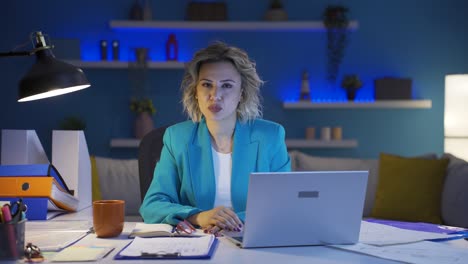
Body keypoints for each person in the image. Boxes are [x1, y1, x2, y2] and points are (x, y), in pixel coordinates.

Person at [140, 41, 290, 234]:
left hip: (252, 239)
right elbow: (152, 205)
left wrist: (231, 222)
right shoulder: (176, 137)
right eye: (206, 84)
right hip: (196, 241)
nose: (215, 95)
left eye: (227, 85)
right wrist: (200, 216)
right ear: (196, 91)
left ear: (241, 93)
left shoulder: (271, 136)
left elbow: (283, 203)